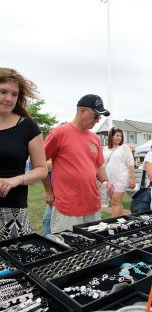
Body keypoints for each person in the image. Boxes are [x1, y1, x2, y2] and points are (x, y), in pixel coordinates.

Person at [42, 94, 110, 233]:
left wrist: (105, 181)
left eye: (100, 117)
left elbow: (98, 165)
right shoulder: (59, 133)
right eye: (95, 116)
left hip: (92, 203)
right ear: (82, 110)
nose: (97, 121)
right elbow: (39, 162)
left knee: (92, 246)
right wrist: (49, 191)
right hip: (67, 206)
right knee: (66, 248)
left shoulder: (94, 138)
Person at [0, 67, 47, 241]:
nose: (9, 98)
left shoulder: (28, 126)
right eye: (3, 92)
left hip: (13, 212)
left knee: (12, 266)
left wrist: (15, 180)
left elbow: (42, 169)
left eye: (14, 94)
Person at [103, 127, 136, 217]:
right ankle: (122, 222)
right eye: (117, 135)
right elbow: (102, 164)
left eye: (120, 136)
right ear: (111, 136)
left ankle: (113, 224)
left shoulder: (124, 148)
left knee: (115, 201)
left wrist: (132, 179)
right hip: (109, 180)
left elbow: (131, 163)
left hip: (121, 178)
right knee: (116, 202)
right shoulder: (105, 149)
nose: (119, 138)